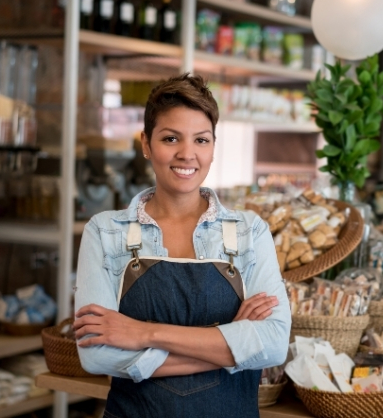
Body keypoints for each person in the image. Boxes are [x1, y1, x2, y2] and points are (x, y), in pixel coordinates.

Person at [73, 74, 291, 418]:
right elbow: (96, 355)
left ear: (214, 147)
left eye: (201, 140)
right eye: (171, 138)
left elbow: (273, 345)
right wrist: (230, 341)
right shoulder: (106, 231)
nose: (187, 154)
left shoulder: (249, 231)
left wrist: (142, 333)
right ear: (145, 144)